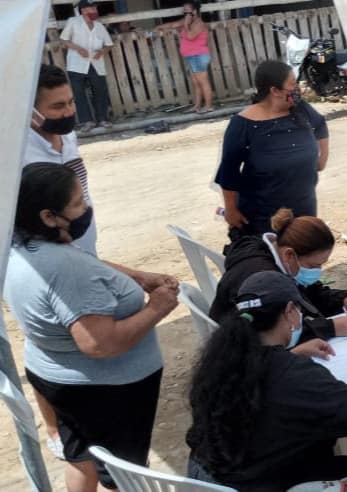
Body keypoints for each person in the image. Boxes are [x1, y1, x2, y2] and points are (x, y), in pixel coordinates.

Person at [4, 163, 179, 491]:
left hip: (58, 377)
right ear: (49, 216)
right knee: (123, 475)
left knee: (81, 459)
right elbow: (100, 344)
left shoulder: (19, 244)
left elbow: (81, 262)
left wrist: (137, 276)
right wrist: (157, 307)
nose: (86, 208)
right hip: (105, 390)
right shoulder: (67, 270)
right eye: (78, 202)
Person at [187, 271, 347, 491]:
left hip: (207, 476)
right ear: (289, 311)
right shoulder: (294, 377)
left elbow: (267, 382)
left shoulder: (223, 358)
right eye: (299, 310)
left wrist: (293, 353)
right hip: (255, 485)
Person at [210, 208, 347, 340]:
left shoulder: (277, 256)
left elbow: (308, 292)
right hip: (241, 346)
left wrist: (342, 300)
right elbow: (275, 332)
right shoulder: (261, 279)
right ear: (290, 255)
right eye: (314, 265)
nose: (317, 271)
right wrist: (330, 328)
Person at [215, 60, 329, 241]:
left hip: (304, 208)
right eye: (292, 84)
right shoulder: (243, 125)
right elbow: (229, 170)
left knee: (305, 252)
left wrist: (322, 159)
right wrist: (231, 209)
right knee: (272, 257)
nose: (298, 88)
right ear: (275, 90)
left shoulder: (300, 109)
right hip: (262, 216)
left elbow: (320, 124)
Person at [26, 64, 97, 256]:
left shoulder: (68, 136)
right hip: (53, 255)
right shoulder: (18, 154)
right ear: (30, 110)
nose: (69, 112)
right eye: (58, 106)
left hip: (86, 245)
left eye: (71, 102)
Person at [60, 0, 113, 132]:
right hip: (76, 64)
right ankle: (87, 122)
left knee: (100, 91)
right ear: (83, 11)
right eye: (92, 9)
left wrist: (102, 52)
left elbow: (109, 45)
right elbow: (64, 39)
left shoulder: (99, 26)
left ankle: (102, 119)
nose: (95, 11)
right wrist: (78, 49)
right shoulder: (73, 22)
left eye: (95, 8)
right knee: (79, 94)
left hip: (96, 64)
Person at [155, 1, 214, 113]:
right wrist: (158, 27)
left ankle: (208, 106)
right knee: (196, 83)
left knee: (203, 82)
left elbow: (190, 36)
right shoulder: (187, 21)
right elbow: (173, 25)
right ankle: (197, 106)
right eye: (184, 11)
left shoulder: (199, 23)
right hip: (192, 56)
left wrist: (186, 25)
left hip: (198, 56)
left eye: (187, 11)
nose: (185, 13)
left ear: (194, 11)